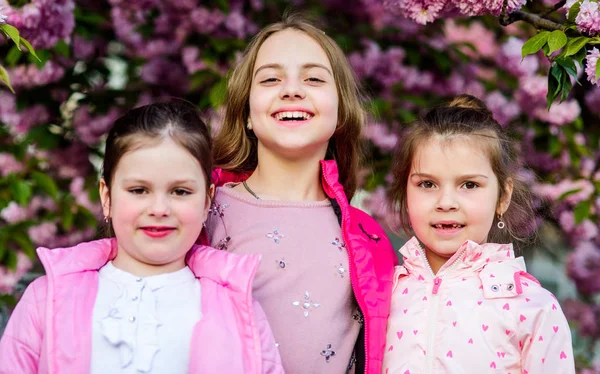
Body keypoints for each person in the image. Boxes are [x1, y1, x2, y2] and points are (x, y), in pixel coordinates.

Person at [0, 101, 283, 373]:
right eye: (138, 190)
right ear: (107, 196)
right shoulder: (46, 298)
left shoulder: (239, 309)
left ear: (207, 200)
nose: (159, 209)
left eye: (180, 191)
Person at [205, 13, 397, 374]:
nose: (292, 90)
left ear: (340, 112)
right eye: (271, 78)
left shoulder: (368, 238)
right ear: (246, 112)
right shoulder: (200, 213)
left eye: (313, 78)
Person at [382, 94, 575, 373]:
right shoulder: (381, 292)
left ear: (503, 196)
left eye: (469, 185)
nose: (446, 202)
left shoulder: (533, 307)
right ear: (405, 191)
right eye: (427, 184)